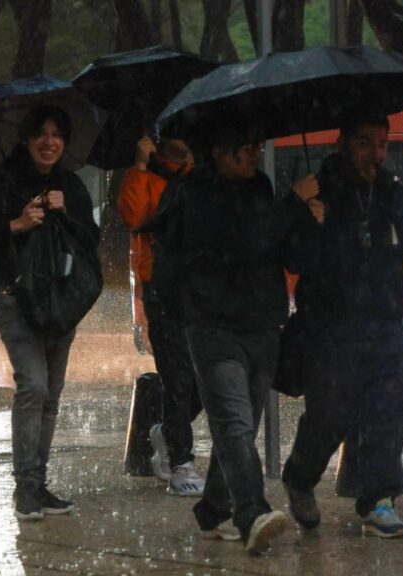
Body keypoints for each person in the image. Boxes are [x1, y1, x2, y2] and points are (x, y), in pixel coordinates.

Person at [157, 126, 323, 554]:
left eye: (257, 145)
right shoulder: (193, 193)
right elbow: (245, 242)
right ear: (216, 147)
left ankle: (214, 509)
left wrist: (307, 219)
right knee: (232, 423)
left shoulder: (259, 186)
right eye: (245, 145)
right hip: (212, 326)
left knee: (240, 430)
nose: (254, 153)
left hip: (261, 325)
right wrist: (291, 204)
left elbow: (282, 252)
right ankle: (252, 511)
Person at [281, 113, 403, 538]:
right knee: (331, 415)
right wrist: (304, 218)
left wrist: (400, 197)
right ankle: (300, 476)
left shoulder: (390, 193)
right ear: (344, 144)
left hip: (385, 322)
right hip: (331, 329)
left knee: (387, 410)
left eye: (383, 144)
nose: (376, 154)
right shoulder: (319, 192)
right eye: (366, 144)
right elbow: (294, 257)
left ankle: (379, 500)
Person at [0, 106, 100, 521]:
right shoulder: (0, 182)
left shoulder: (70, 186)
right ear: (26, 138)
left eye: (57, 134)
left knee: (51, 398)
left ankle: (38, 485)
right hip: (16, 299)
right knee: (33, 386)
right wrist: (15, 225)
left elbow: (90, 240)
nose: (49, 141)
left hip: (63, 303)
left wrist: (66, 211)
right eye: (41, 133)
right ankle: (25, 489)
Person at [117, 135, 207, 497]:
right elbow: (134, 215)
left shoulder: (199, 177)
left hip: (199, 290)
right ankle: (181, 462)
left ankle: (168, 433)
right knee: (178, 377)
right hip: (162, 290)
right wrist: (140, 165)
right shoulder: (146, 177)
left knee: (206, 377)